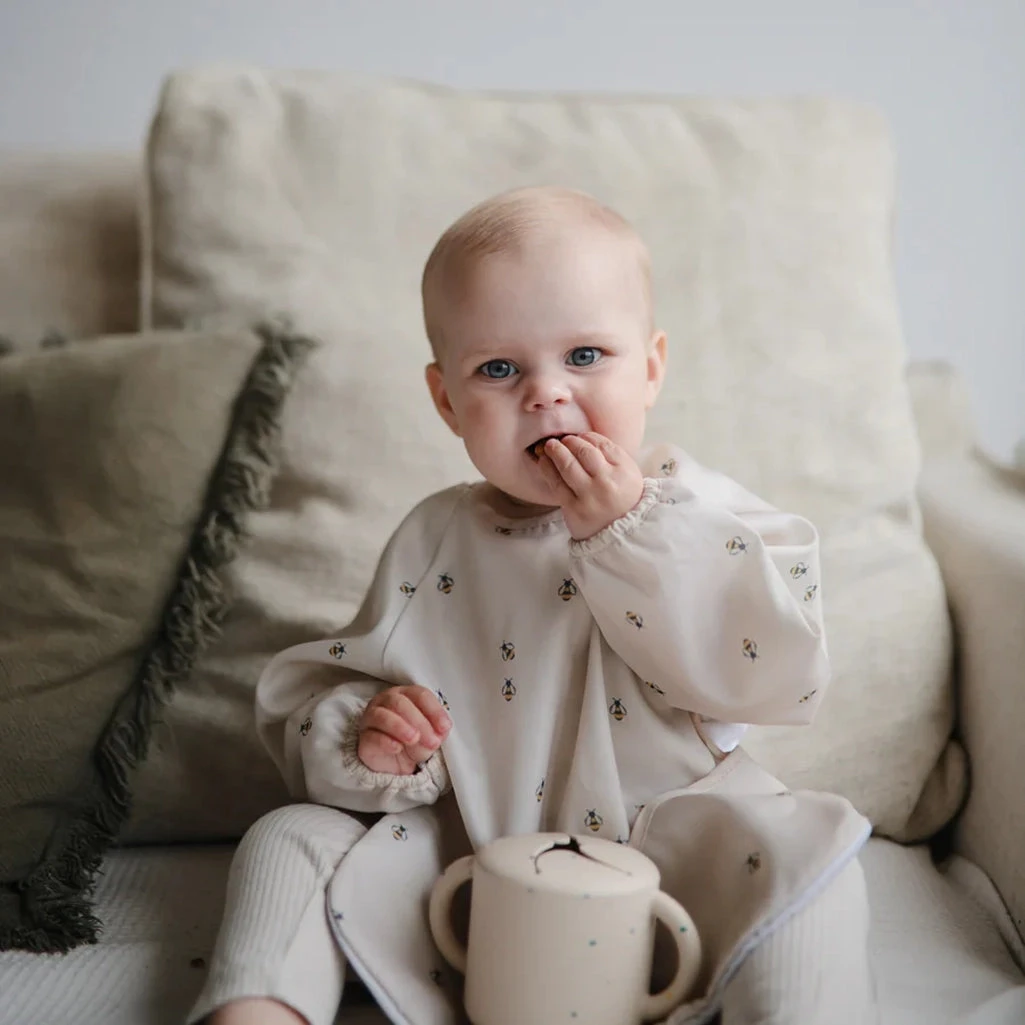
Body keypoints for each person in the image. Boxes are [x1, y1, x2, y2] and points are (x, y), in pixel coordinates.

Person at [191, 187, 876, 1025]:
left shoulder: (704, 515)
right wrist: (376, 736)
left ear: (650, 367)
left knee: (814, 862)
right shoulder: (435, 538)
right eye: (498, 369)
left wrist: (631, 533)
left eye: (585, 355)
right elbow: (330, 691)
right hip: (473, 869)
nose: (546, 393)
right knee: (291, 836)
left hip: (672, 865)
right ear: (447, 401)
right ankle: (259, 1010)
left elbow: (777, 673)